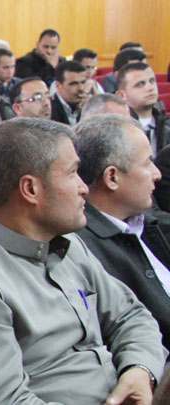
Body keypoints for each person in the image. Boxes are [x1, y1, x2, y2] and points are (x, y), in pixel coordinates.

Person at [0, 117, 167, 404]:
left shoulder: (68, 242)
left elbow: (131, 315)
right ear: (30, 189)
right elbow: (4, 399)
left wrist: (139, 370)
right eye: (73, 173)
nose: (84, 187)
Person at [73, 114, 170, 350]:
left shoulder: (145, 224)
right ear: (112, 177)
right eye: (147, 163)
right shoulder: (84, 251)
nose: (156, 173)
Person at [116, 62, 168, 155]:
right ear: (122, 95)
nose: (150, 88)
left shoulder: (166, 125)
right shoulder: (117, 131)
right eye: (140, 84)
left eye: (152, 81)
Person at [49, 61, 87, 126]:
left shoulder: (88, 107)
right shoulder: (49, 110)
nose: (81, 88)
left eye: (83, 82)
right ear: (58, 86)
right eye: (74, 84)